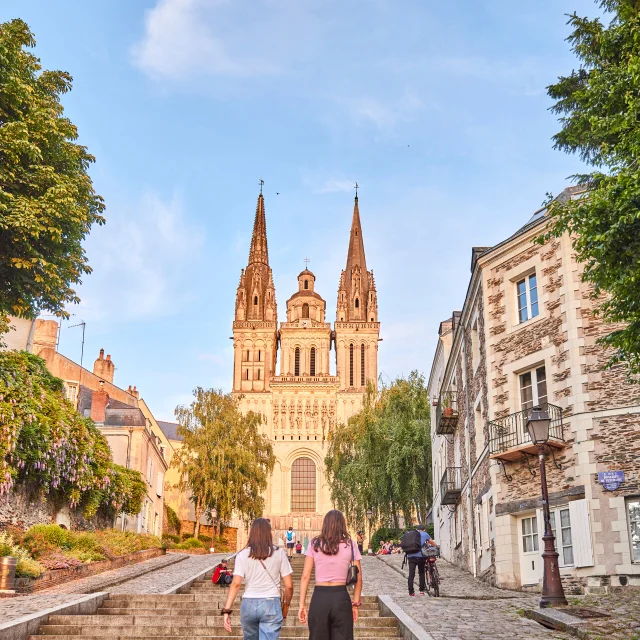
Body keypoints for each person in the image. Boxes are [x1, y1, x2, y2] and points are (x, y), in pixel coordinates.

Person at [222, 518, 294, 639]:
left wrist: (226, 610)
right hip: (271, 602)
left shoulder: (242, 555)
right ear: (268, 533)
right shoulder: (279, 553)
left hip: (249, 603)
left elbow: (236, 584)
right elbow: (289, 585)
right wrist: (287, 603)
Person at [298, 510, 363, 640]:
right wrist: (355, 605)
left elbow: (305, 576)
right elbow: (359, 578)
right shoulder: (350, 545)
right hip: (341, 597)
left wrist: (302, 605)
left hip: (319, 598)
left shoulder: (314, 544)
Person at [404, 524, 437, 596]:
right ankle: (421, 590)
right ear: (424, 529)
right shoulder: (425, 534)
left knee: (411, 574)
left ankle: (411, 592)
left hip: (411, 556)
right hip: (421, 557)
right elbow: (432, 542)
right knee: (421, 573)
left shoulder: (411, 534)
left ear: (417, 529)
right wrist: (437, 547)